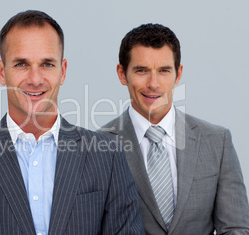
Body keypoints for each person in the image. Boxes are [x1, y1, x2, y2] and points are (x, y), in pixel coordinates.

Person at [0, 10, 144, 235]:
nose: (35, 79)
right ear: (1, 72)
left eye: (47, 64)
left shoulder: (107, 157)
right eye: (21, 64)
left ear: (62, 71)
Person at [98, 23, 249, 234]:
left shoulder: (217, 142)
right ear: (122, 74)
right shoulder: (96, 147)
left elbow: (236, 228)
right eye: (141, 71)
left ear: (178, 74)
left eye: (164, 71)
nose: (153, 83)